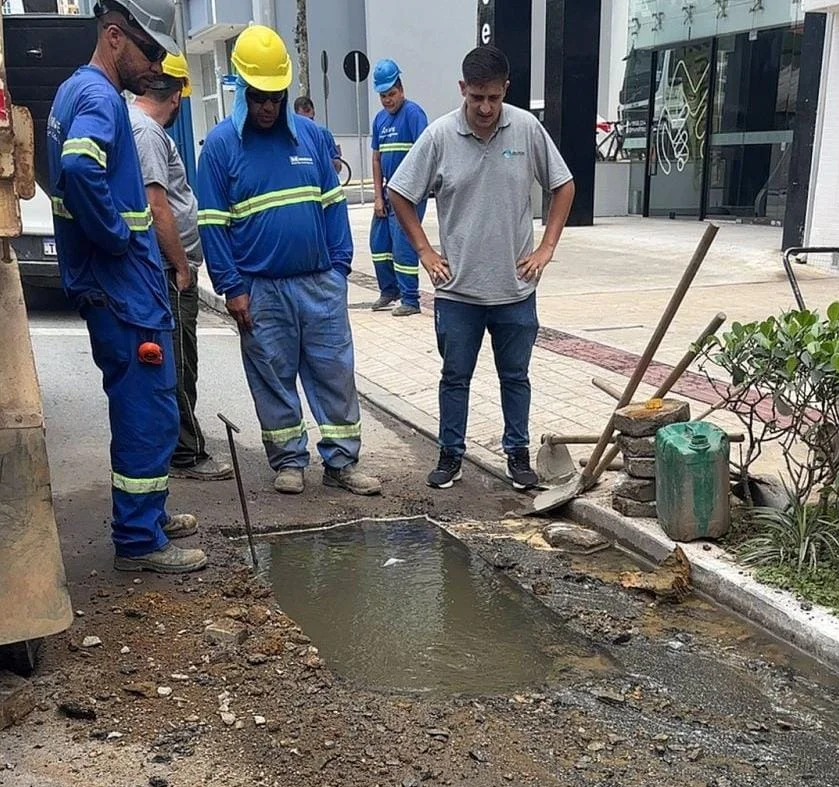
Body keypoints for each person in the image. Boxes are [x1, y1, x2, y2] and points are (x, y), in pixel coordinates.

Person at [46, 0, 208, 572]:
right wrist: (116, 236)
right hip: (123, 290)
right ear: (115, 38)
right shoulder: (95, 98)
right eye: (149, 51)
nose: (155, 66)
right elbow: (80, 167)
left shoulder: (75, 92)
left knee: (147, 406)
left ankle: (149, 513)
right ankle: (139, 540)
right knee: (147, 410)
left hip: (117, 288)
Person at [196, 25, 381, 498]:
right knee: (273, 377)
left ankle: (342, 462)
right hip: (260, 289)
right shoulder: (219, 147)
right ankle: (289, 460)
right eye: (258, 98)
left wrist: (340, 270)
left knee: (334, 374)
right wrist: (232, 289)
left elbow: (334, 207)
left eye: (275, 98)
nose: (267, 108)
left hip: (319, 283)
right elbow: (213, 226)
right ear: (241, 90)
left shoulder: (313, 140)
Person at [387, 45, 575, 491]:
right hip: (458, 293)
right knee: (454, 378)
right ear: (462, 90)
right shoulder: (438, 137)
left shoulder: (527, 129)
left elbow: (563, 185)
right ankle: (450, 455)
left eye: (493, 97)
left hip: (515, 290)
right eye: (476, 98)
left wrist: (547, 246)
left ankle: (518, 456)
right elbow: (400, 192)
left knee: (516, 377)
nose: (485, 107)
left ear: (505, 90)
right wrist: (426, 252)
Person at [128, 54, 235, 483]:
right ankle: (187, 452)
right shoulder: (148, 134)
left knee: (173, 360)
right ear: (175, 97)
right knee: (178, 363)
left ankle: (178, 445)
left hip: (166, 269)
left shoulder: (136, 127)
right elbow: (158, 206)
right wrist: (180, 265)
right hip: (168, 272)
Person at [367, 59, 429, 316]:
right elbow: (376, 159)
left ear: (401, 90)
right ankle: (389, 290)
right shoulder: (379, 120)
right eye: (383, 96)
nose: (388, 100)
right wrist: (378, 196)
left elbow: (425, 153)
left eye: (391, 94)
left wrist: (412, 193)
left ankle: (411, 300)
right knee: (379, 243)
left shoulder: (414, 114)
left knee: (403, 244)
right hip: (388, 194)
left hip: (409, 195)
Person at [293, 94, 342, 175]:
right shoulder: (293, 136)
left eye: (308, 111)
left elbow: (338, 164)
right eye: (303, 120)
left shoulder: (324, 133)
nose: (308, 123)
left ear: (313, 112)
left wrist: (330, 163)